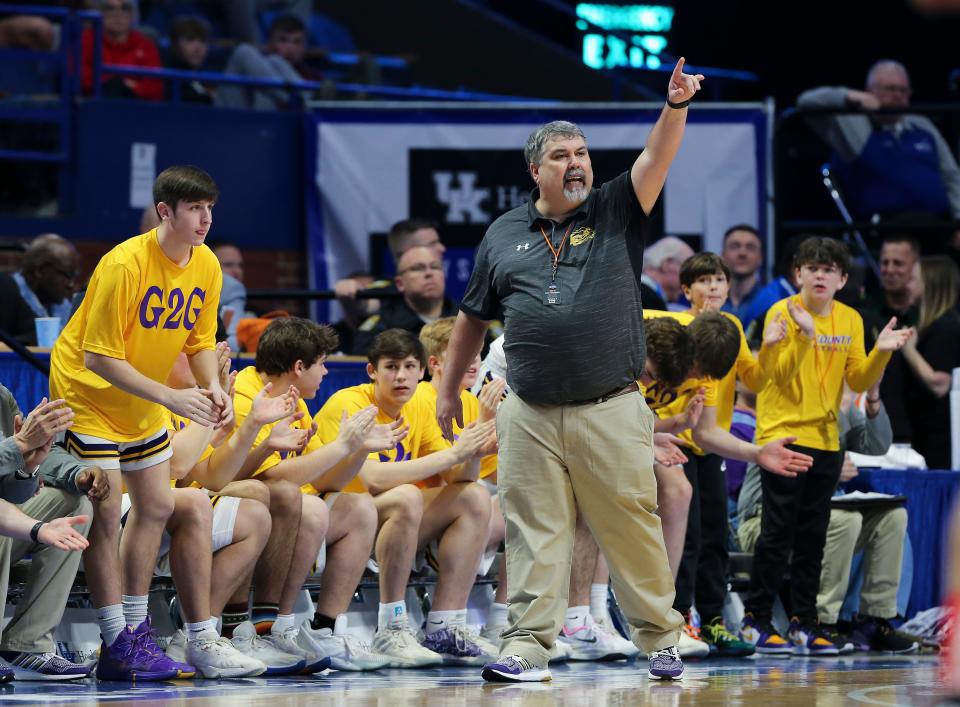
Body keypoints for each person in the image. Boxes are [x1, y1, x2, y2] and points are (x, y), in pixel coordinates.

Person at [436, 58, 707, 683]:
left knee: (628, 523)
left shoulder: (616, 207)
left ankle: (659, 637)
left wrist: (675, 106)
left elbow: (655, 158)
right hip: (527, 407)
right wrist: (450, 391)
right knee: (534, 531)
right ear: (537, 170)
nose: (577, 162)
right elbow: (472, 319)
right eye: (562, 155)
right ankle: (529, 646)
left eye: (581, 151)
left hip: (608, 402)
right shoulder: (503, 232)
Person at [48, 165, 228, 681]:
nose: (205, 219)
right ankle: (113, 642)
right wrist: (174, 395)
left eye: (210, 208)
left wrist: (212, 387)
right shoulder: (123, 264)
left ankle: (136, 629)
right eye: (194, 208)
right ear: (165, 211)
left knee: (157, 504)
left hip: (142, 393)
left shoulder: (208, 265)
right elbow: (99, 359)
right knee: (106, 512)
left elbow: (198, 342)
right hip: (88, 393)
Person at [738, 236, 911, 657]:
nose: (820, 274)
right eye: (812, 268)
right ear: (798, 274)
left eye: (829, 269)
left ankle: (805, 622)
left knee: (814, 536)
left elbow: (855, 381)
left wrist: (882, 354)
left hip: (827, 440)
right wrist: (802, 337)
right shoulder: (781, 312)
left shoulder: (850, 319)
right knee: (777, 534)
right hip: (785, 436)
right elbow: (772, 379)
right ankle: (755, 619)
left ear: (842, 278)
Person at [314, 328, 497, 667]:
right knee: (406, 497)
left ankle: (445, 624)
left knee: (474, 497)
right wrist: (453, 455)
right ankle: (392, 627)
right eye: (391, 367)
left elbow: (462, 478)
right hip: (334, 513)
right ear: (372, 372)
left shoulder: (418, 408)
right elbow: (368, 479)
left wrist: (472, 449)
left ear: (421, 371)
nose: (401, 376)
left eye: (409, 367)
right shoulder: (350, 403)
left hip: (388, 517)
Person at [231, 317, 400, 672]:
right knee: (305, 506)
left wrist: (357, 450)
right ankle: (272, 625)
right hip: (242, 507)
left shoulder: (295, 401)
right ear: (298, 367)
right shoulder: (248, 394)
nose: (325, 372)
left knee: (359, 509)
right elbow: (271, 476)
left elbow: (325, 480)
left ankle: (324, 628)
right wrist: (342, 446)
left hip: (282, 508)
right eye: (322, 363)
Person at [0, 388, 99, 681]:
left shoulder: (2, 398)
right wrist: (19, 445)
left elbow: (11, 489)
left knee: (74, 504)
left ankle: (26, 644)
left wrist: (28, 468)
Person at [796, 60, 960, 232]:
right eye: (890, 89)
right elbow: (805, 101)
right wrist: (851, 97)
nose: (898, 96)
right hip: (883, 230)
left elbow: (952, 175)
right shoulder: (854, 127)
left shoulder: (922, 125)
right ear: (869, 91)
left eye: (903, 90)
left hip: (937, 228)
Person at [901, 256, 960, 468]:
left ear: (930, 286)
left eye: (914, 280)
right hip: (926, 431)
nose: (908, 284)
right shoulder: (932, 325)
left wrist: (908, 350)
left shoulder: (946, 328)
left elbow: (939, 384)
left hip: (940, 437)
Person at [352, 246, 460, 355]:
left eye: (435, 267)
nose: (429, 273)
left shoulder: (465, 319)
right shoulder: (381, 327)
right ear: (400, 283)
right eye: (418, 268)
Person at [867, 235, 921, 442]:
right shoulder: (865, 314)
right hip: (881, 423)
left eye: (898, 263)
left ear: (916, 268)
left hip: (922, 425)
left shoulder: (928, 316)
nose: (889, 269)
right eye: (885, 262)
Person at [216, 14, 324, 111]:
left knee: (275, 61)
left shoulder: (313, 76)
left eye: (297, 42)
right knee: (244, 50)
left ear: (304, 46)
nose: (290, 49)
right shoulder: (251, 63)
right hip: (234, 119)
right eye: (283, 40)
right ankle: (302, 101)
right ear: (269, 43)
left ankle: (307, 101)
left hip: (273, 127)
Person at [81, 0, 163, 101]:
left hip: (134, 106)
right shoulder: (86, 40)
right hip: (93, 102)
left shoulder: (146, 46)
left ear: (133, 15)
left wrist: (124, 85)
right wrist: (123, 82)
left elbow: (155, 89)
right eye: (110, 8)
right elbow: (79, 77)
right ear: (99, 13)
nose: (118, 14)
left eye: (125, 8)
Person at [10, 234, 80, 329]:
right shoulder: (7, 296)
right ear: (40, 270)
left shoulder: (59, 302)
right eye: (67, 275)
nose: (71, 285)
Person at [164, 15, 214, 105]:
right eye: (190, 40)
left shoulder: (209, 79)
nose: (198, 47)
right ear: (175, 45)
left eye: (202, 41)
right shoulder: (168, 78)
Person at [721, 225, 765, 325]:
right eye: (735, 246)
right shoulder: (708, 302)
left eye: (750, 247)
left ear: (760, 258)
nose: (742, 253)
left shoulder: (771, 301)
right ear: (722, 255)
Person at [642, 236, 695, 309]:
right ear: (667, 264)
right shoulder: (646, 300)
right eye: (687, 271)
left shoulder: (632, 290)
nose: (689, 282)